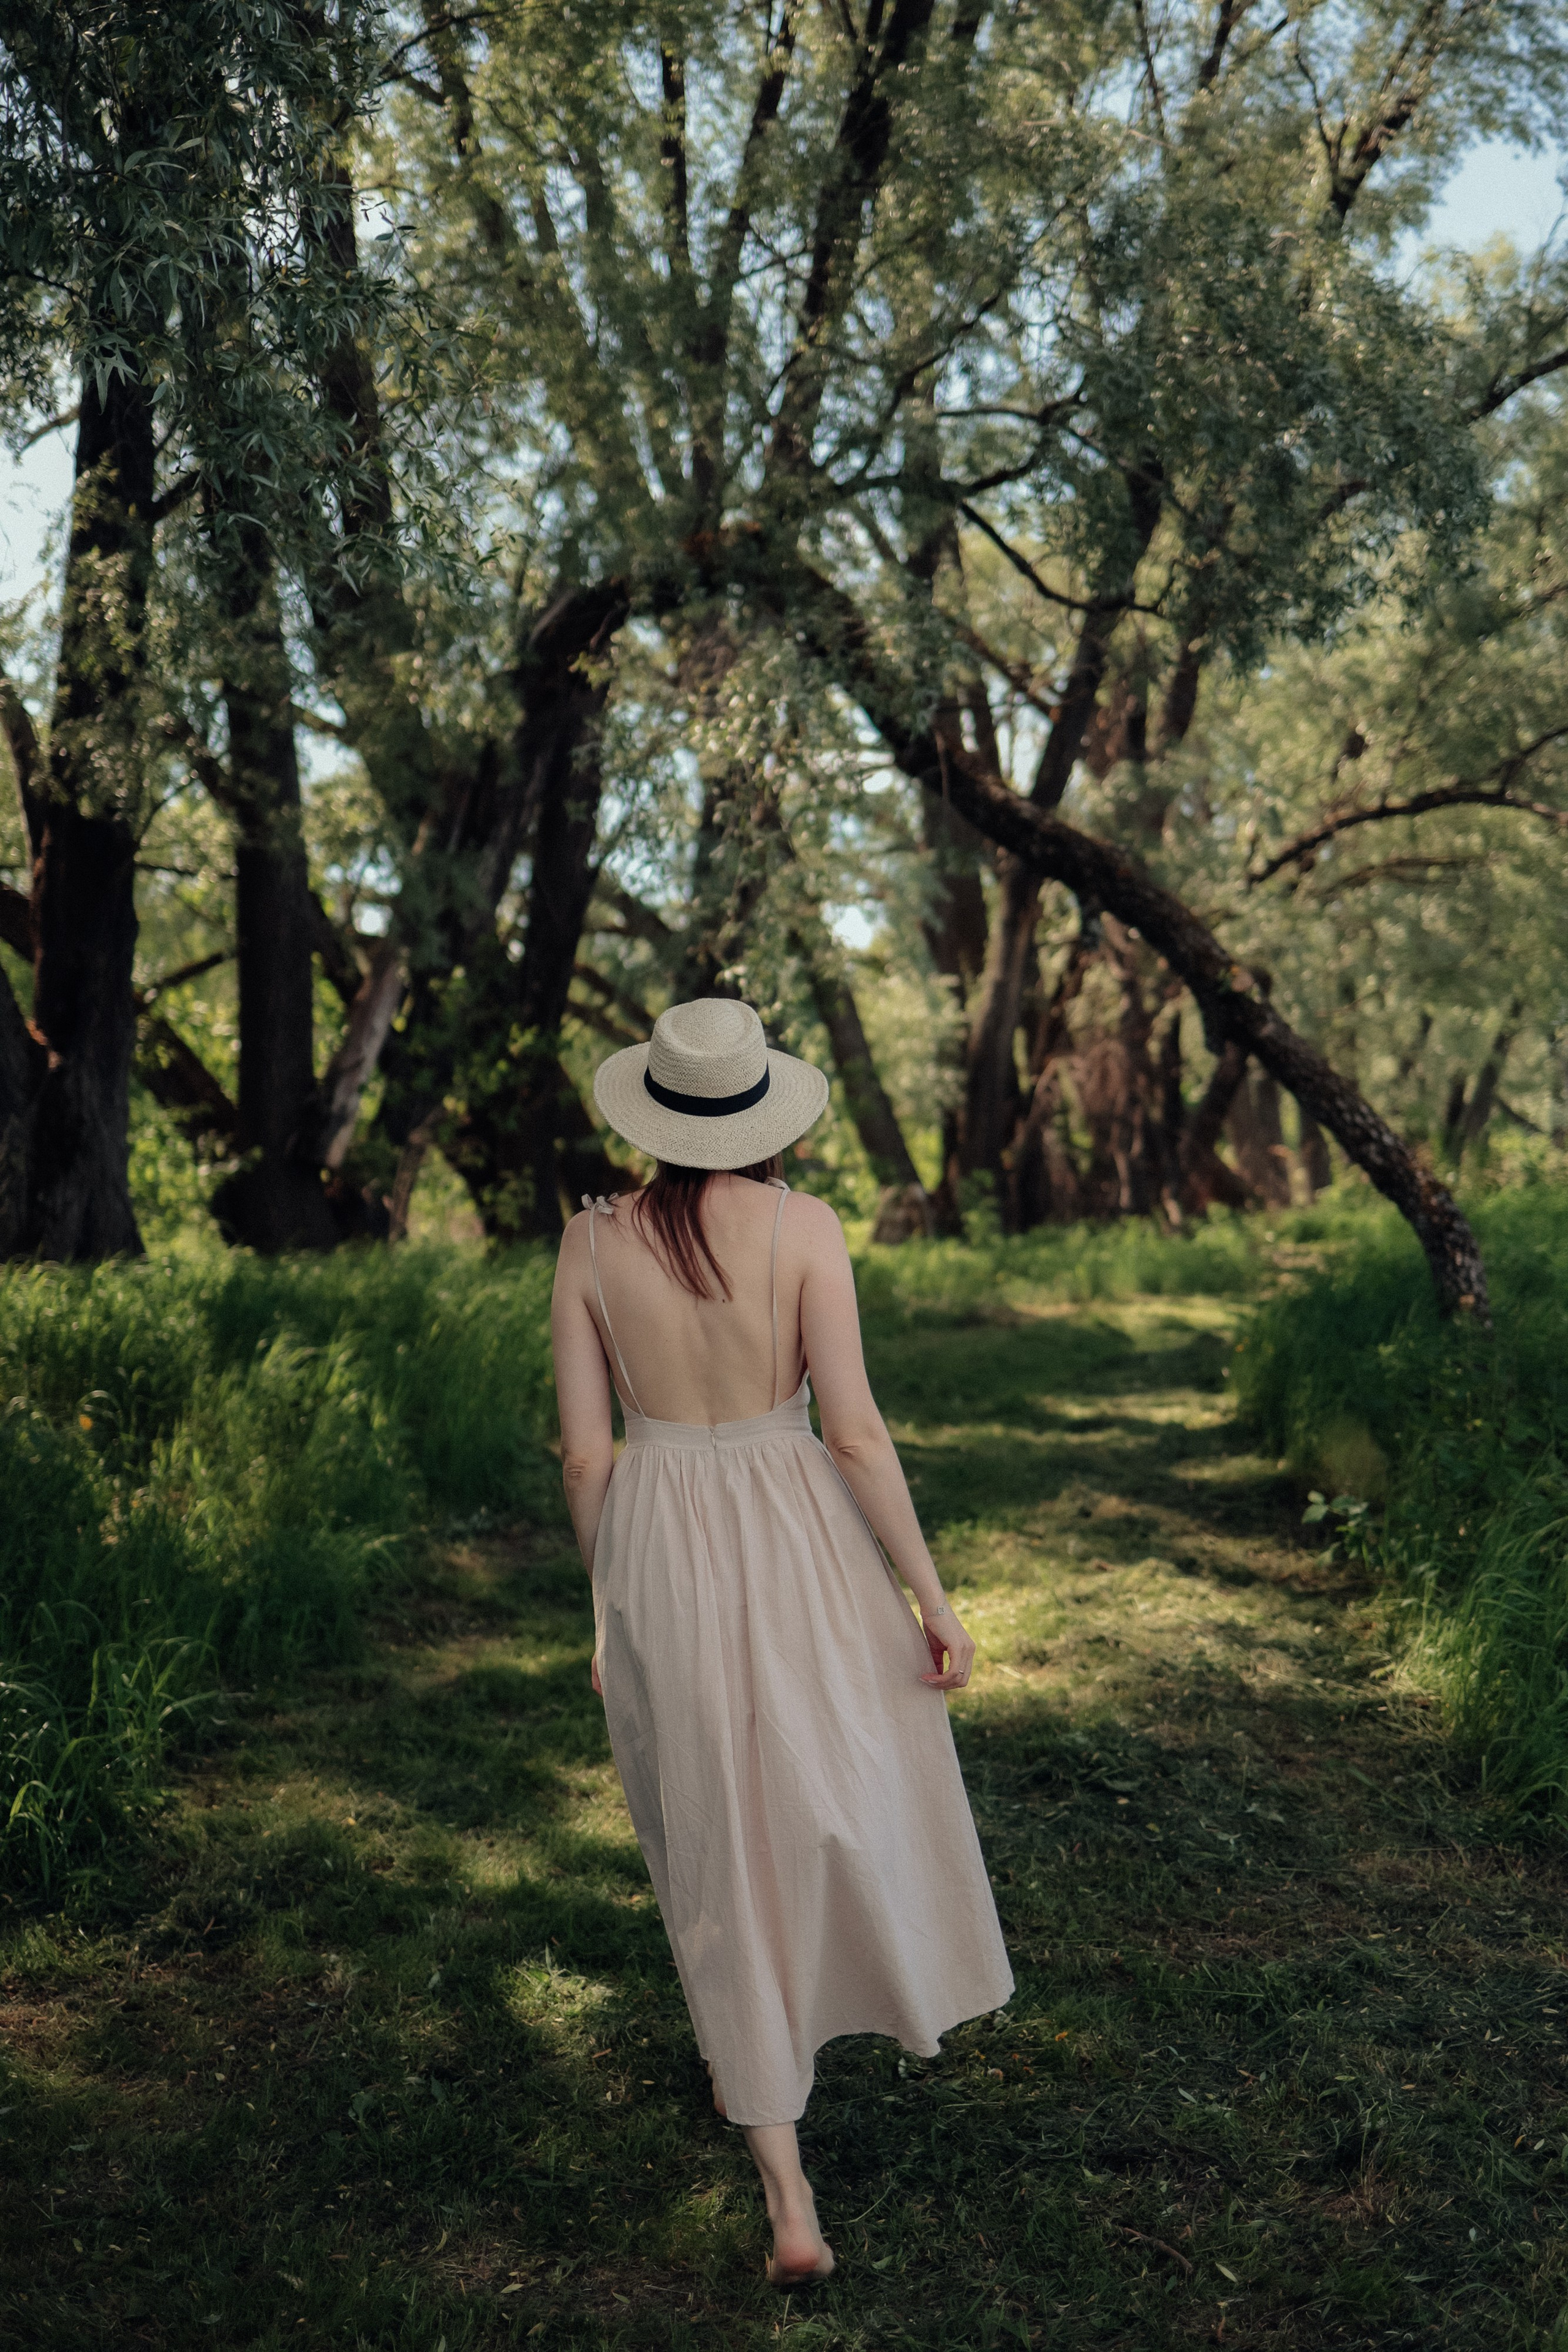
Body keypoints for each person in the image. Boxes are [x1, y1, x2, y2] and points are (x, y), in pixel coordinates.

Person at [550, 998, 1013, 2287]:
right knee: (823, 1779)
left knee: (704, 1824)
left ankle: (786, 2190)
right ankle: (809, 2022)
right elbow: (852, 1431)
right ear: (762, 1112)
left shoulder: (589, 1242)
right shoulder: (805, 1228)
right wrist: (931, 1598)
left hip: (654, 1533)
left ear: (653, 1112)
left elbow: (585, 1457)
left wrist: (607, 1604)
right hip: (795, 1526)